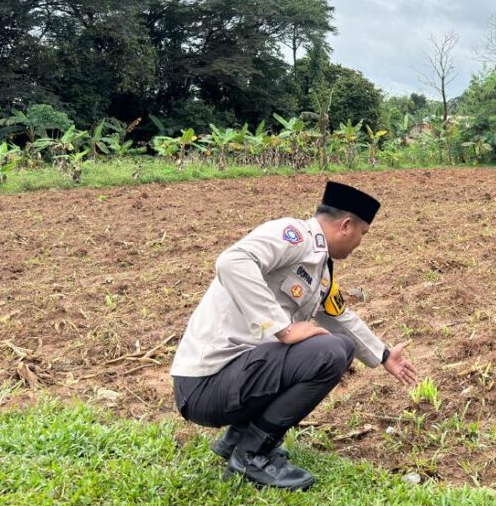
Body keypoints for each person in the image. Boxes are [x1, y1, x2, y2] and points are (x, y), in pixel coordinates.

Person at [170, 180, 417, 490]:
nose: (359, 243)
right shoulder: (294, 236)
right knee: (330, 351)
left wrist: (383, 356)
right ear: (346, 225)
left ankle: (238, 438)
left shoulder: (320, 271)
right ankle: (252, 454)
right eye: (362, 234)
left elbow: (340, 317)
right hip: (205, 385)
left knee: (330, 344)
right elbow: (232, 261)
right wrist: (282, 327)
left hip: (231, 380)